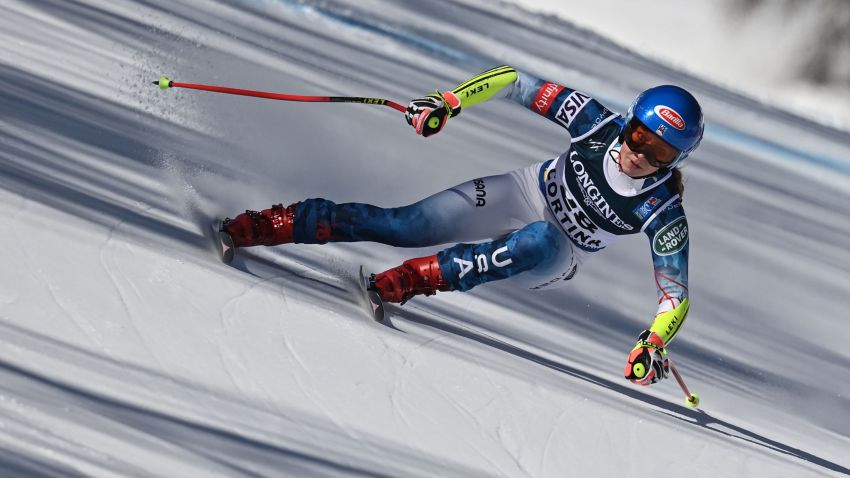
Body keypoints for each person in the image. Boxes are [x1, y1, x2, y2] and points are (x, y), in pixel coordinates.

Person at [220, 65, 704, 387]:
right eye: (640, 135)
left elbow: (674, 295)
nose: (640, 154)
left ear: (675, 159)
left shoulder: (662, 210)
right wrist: (448, 102)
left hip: (559, 256)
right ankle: (267, 225)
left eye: (659, 152)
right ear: (629, 121)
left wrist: (654, 342)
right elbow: (515, 79)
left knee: (539, 240)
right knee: (403, 225)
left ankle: (409, 281)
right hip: (521, 192)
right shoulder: (597, 125)